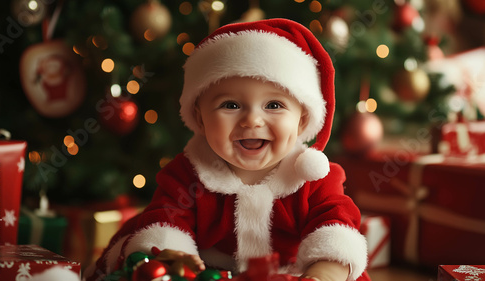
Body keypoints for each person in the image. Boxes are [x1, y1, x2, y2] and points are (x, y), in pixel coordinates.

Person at [84, 18, 370, 281]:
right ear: (199, 117)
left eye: (274, 105)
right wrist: (176, 259)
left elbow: (335, 225)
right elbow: (166, 220)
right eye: (230, 105)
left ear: (303, 119)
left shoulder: (313, 177)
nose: (252, 120)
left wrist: (322, 274)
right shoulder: (188, 174)